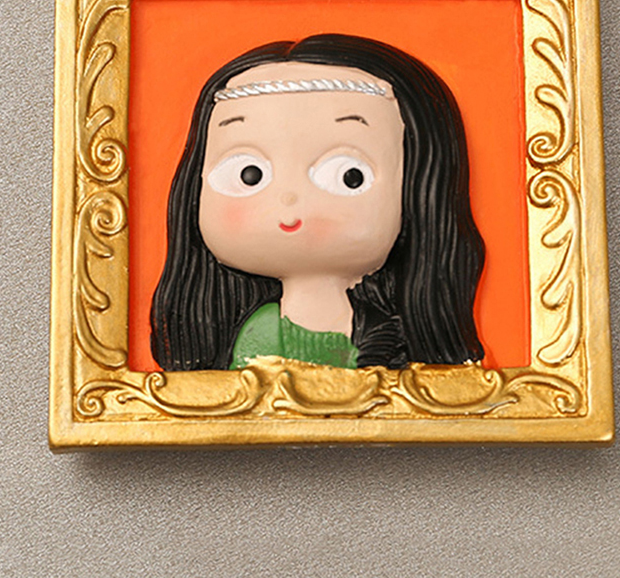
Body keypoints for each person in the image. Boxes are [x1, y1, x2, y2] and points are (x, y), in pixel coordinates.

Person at [150, 33, 484, 371]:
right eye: (249, 174)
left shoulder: (382, 330)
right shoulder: (261, 330)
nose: (288, 198)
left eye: (349, 175)